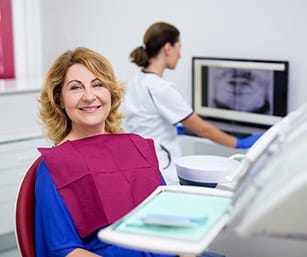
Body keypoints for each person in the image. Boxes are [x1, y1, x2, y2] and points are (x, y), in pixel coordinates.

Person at [35, 46, 223, 257]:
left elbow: (170, 221)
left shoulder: (137, 146)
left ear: (110, 93)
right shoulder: (54, 166)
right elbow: (64, 250)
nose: (89, 96)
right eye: (76, 88)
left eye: (98, 85)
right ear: (59, 98)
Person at [122, 22, 262, 185]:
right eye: (178, 47)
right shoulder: (161, 88)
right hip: (162, 168)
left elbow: (145, 119)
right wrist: (240, 143)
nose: (180, 55)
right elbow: (203, 129)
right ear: (168, 48)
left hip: (141, 164)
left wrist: (174, 128)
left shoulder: (135, 80)